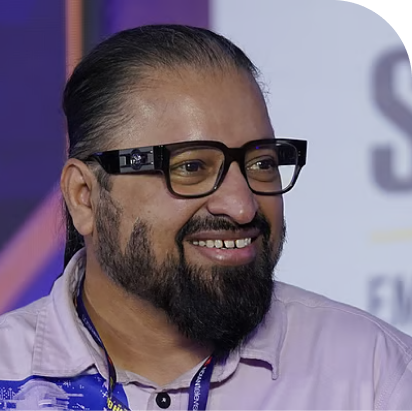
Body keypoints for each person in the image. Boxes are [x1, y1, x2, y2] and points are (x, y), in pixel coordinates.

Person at [0, 24, 411, 411]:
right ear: (85, 197)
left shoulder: (375, 375)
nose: (242, 206)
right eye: (191, 167)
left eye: (261, 163)